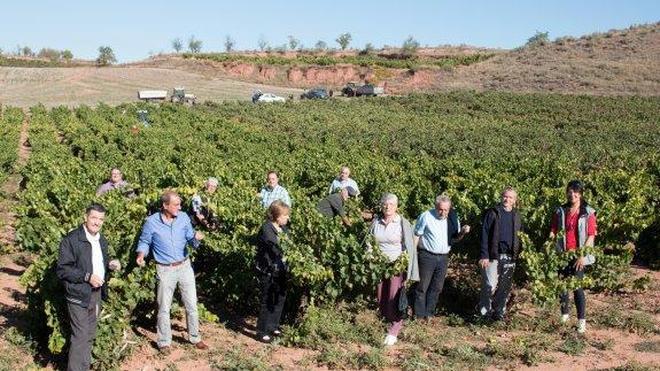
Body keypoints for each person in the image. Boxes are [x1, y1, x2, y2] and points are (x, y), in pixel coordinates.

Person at [136, 190, 208, 353]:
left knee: (191, 304)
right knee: (163, 307)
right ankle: (164, 342)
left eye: (180, 204)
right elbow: (145, 241)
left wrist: (196, 239)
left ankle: (195, 337)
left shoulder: (183, 218)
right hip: (165, 269)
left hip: (184, 266)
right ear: (165, 205)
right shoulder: (151, 222)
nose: (180, 207)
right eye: (176, 204)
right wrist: (141, 254)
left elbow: (190, 238)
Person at [56, 203, 121, 371]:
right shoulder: (71, 240)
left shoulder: (102, 240)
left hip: (96, 294)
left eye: (101, 219)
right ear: (85, 217)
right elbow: (63, 269)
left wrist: (110, 264)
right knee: (80, 336)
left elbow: (98, 263)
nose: (97, 222)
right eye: (94, 217)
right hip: (78, 294)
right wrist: (87, 277)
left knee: (90, 335)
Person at [369, 193, 419, 346]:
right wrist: (370, 255)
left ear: (396, 206)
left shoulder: (402, 223)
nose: (388, 207)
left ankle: (395, 328)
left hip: (396, 265)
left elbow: (408, 246)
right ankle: (388, 320)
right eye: (385, 204)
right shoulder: (376, 222)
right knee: (381, 296)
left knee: (394, 297)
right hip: (379, 264)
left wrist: (403, 262)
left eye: (391, 204)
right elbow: (370, 241)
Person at [550, 180, 597, 334]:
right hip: (562, 253)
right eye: (570, 192)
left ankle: (581, 321)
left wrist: (583, 256)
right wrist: (551, 246)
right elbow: (554, 230)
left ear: (581, 194)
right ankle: (564, 316)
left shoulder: (588, 212)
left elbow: (591, 236)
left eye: (575, 192)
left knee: (577, 287)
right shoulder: (560, 211)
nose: (572, 194)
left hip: (579, 255)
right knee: (562, 286)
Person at [413, 195, 470, 320]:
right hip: (427, 255)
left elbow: (455, 238)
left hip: (443, 257)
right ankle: (419, 315)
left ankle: (429, 313)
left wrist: (463, 232)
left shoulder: (453, 218)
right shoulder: (426, 216)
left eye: (446, 210)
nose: (443, 213)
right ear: (435, 206)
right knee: (422, 286)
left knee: (437, 287)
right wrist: (412, 255)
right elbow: (417, 235)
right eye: (440, 209)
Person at [477, 187, 523, 321]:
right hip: (493, 255)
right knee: (489, 285)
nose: (507, 199)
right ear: (501, 196)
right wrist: (484, 255)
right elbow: (484, 234)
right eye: (505, 196)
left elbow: (521, 236)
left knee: (504, 287)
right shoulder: (493, 213)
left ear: (514, 200)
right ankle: (484, 314)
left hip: (510, 257)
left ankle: (499, 314)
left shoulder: (517, 215)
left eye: (510, 197)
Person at [255, 200, 291, 343]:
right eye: (285, 215)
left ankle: (273, 326)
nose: (288, 218)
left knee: (280, 297)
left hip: (282, 269)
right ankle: (261, 331)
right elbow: (274, 247)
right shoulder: (267, 229)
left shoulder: (285, 229)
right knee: (268, 299)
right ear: (277, 216)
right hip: (268, 270)